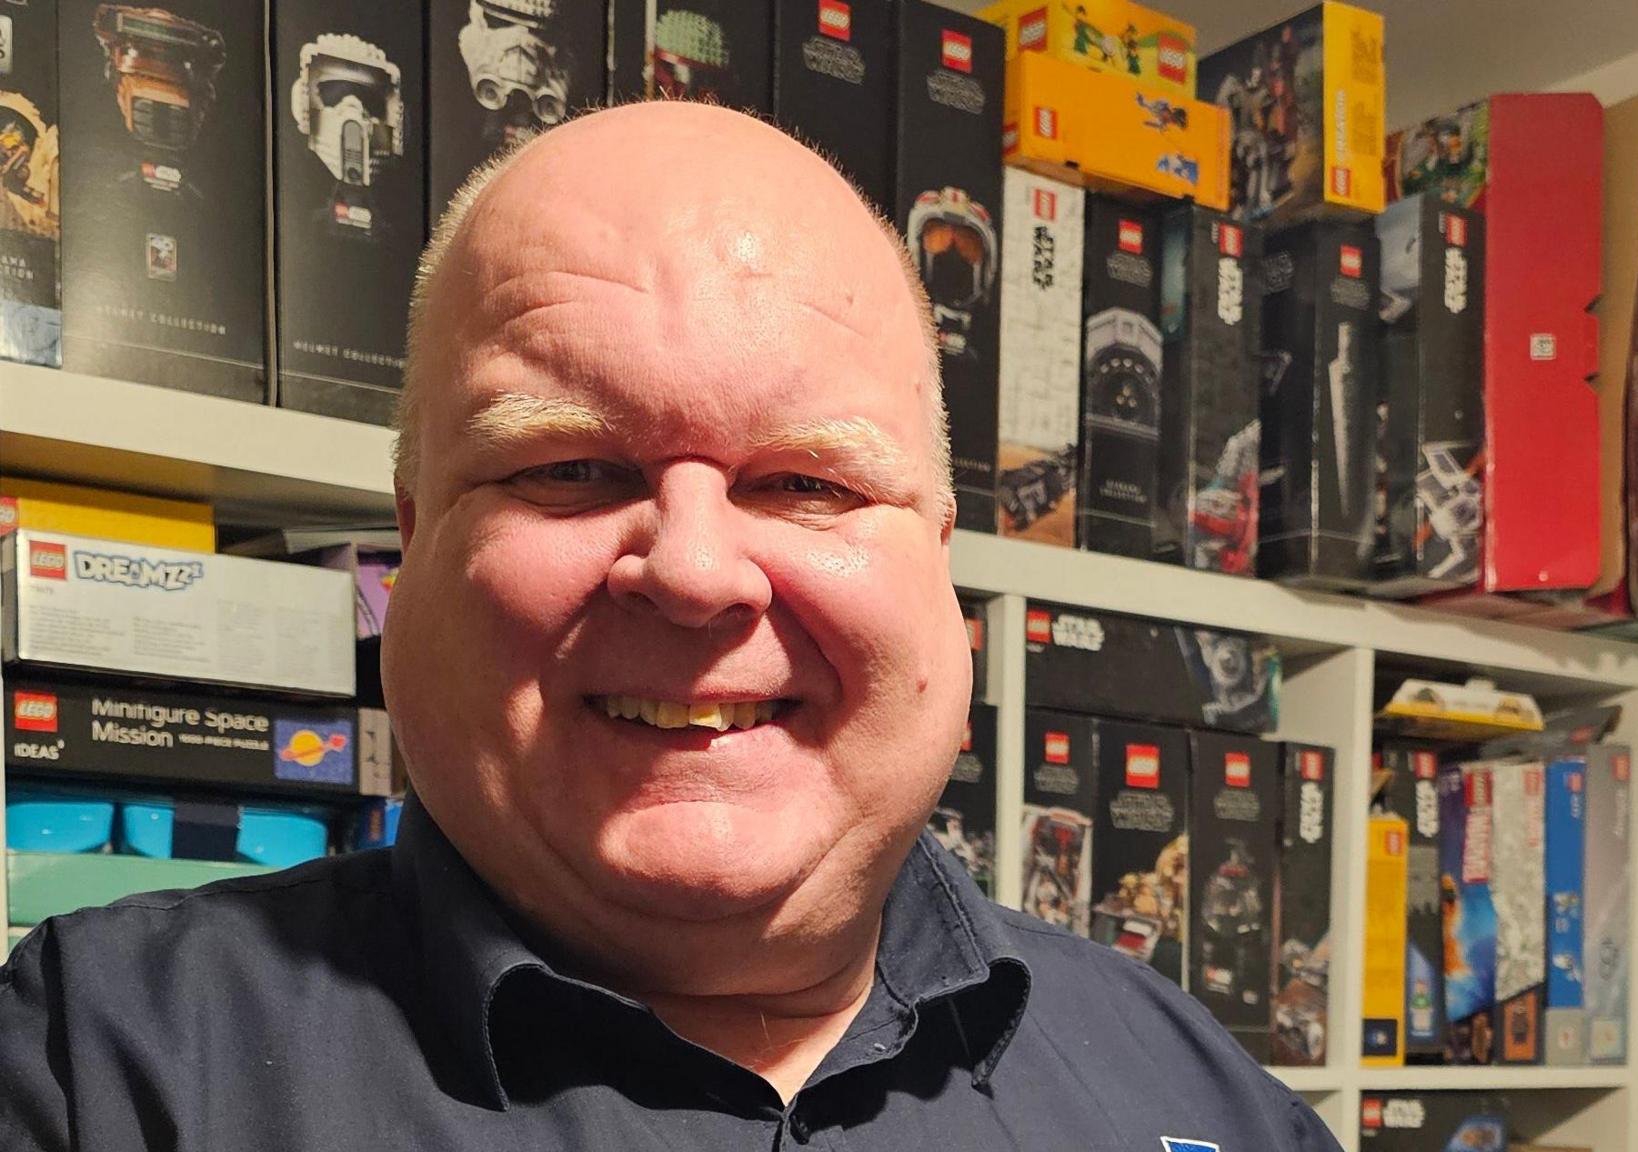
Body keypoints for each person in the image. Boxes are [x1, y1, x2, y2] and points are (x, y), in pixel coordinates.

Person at [0, 102, 1337, 1150]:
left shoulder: (1207, 1098)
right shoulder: (98, 1069)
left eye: (808, 481)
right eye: (566, 468)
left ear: (938, 561)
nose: (696, 571)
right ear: (415, 537)